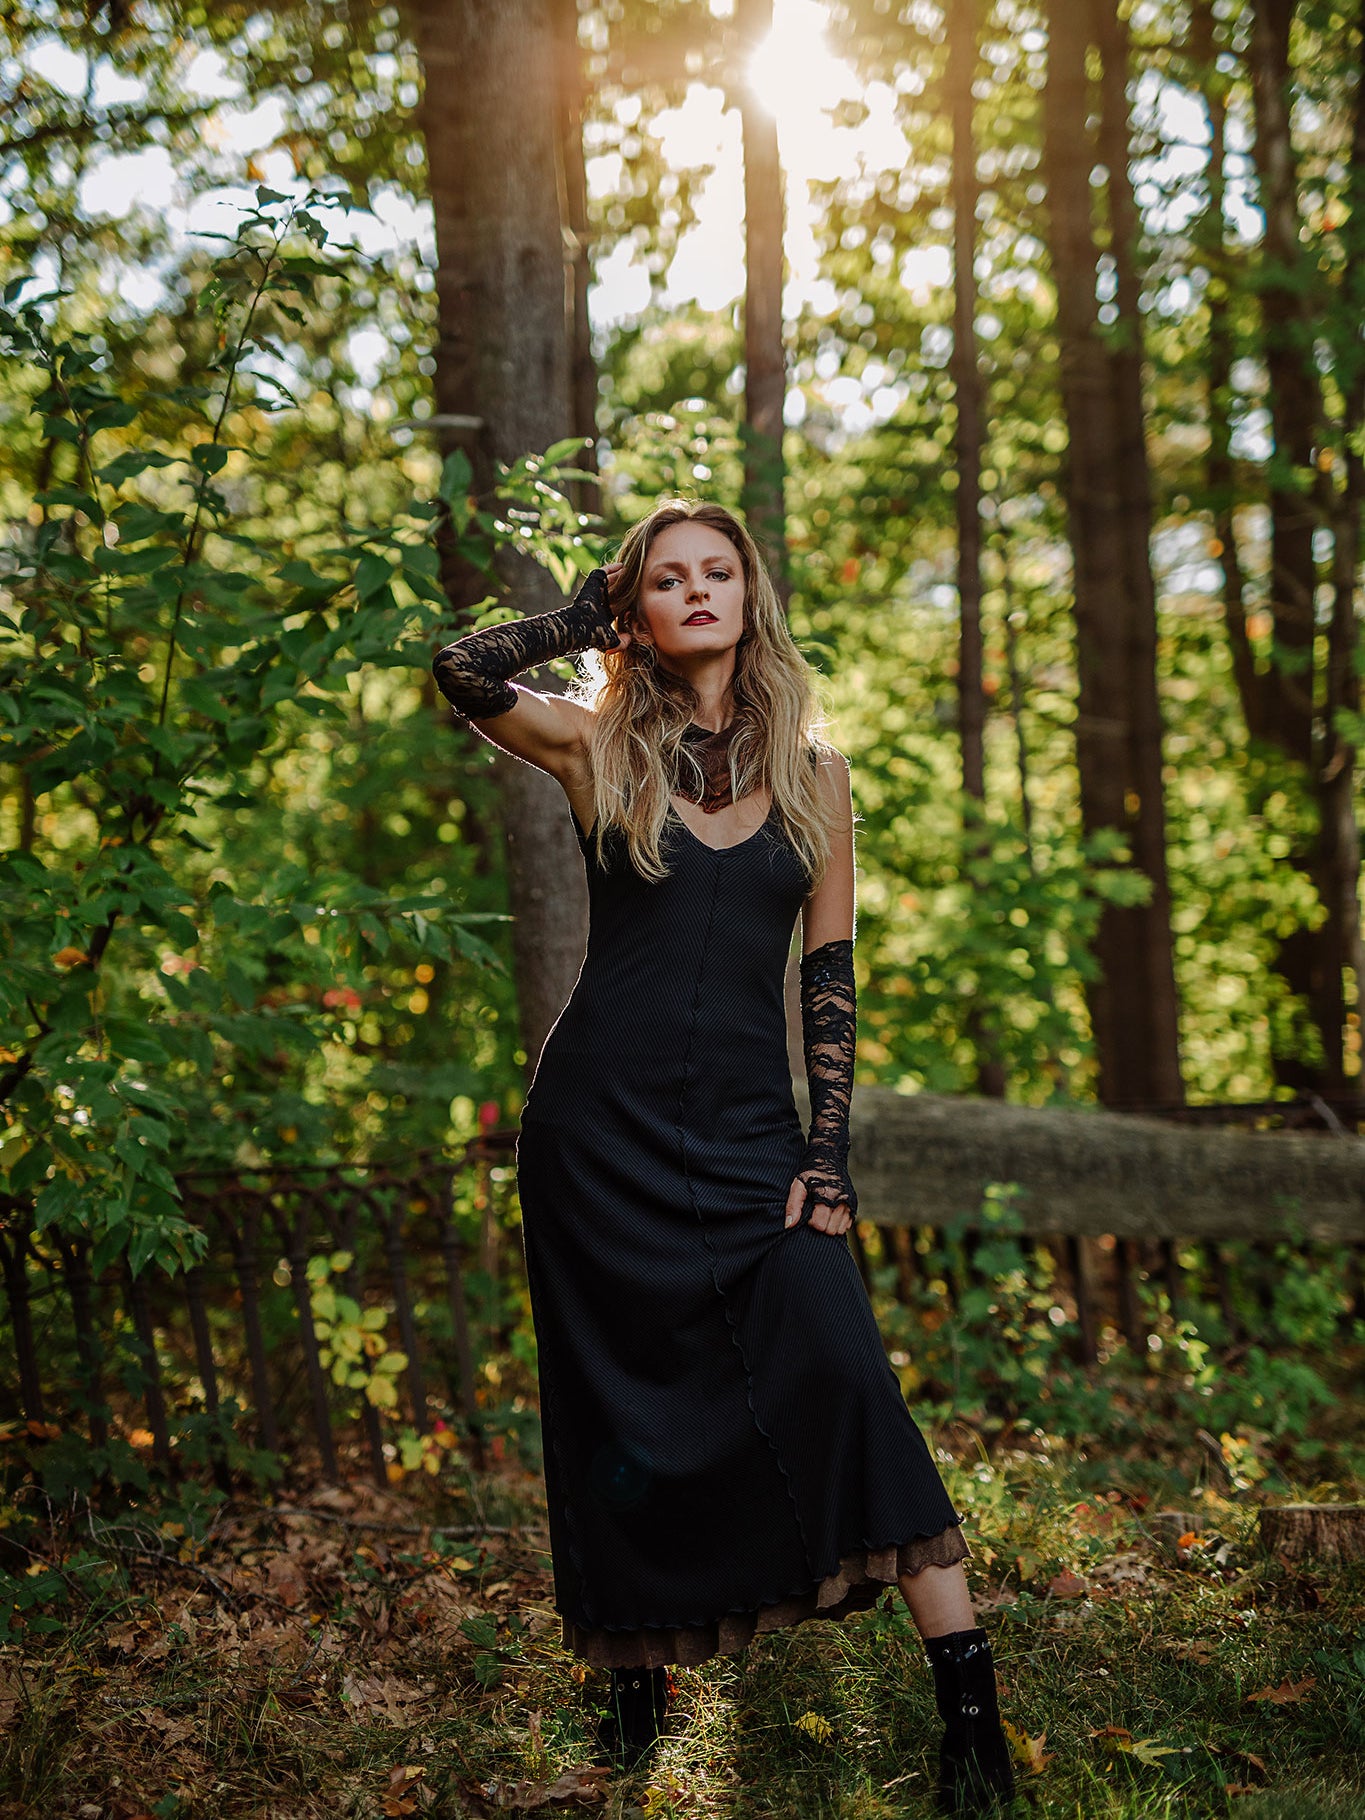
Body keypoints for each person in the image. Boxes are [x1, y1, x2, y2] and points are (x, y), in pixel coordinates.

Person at [432, 499, 1016, 1815]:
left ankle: (969, 1719)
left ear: (750, 598)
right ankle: (633, 1705)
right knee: (613, 1410)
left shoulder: (817, 776)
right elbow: (460, 672)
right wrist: (588, 614)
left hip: (754, 1142)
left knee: (845, 1371)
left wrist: (826, 1152)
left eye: (716, 573)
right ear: (639, 608)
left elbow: (829, 975)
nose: (696, 592)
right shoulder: (593, 749)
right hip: (598, 1137)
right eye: (667, 580)